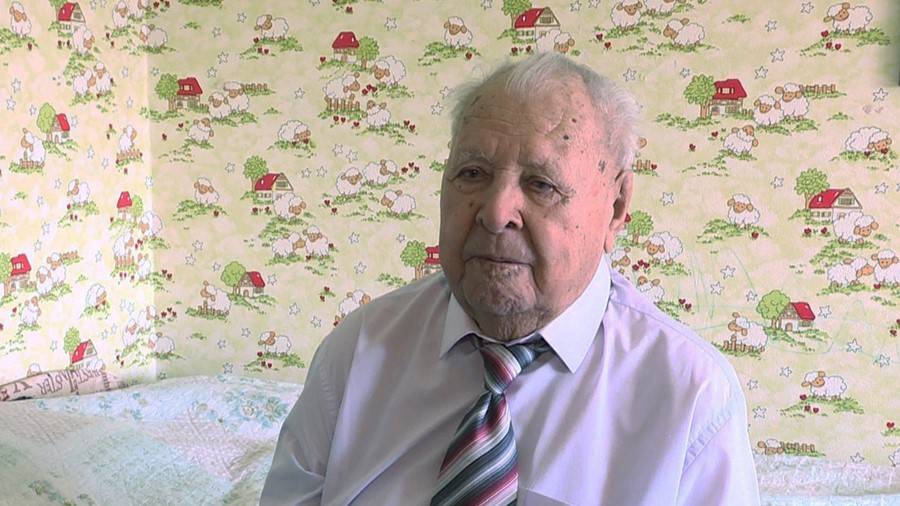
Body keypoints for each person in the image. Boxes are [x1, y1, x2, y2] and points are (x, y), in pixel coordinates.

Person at [260, 52, 761, 505]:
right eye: (472, 174)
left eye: (541, 184)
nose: (496, 213)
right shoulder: (359, 350)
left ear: (616, 208)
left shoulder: (691, 397)